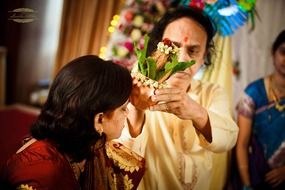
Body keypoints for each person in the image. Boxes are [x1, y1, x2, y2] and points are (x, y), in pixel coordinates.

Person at [119, 7, 239, 190]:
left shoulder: (212, 93)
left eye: (193, 51)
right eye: (172, 48)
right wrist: (137, 108)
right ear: (157, 50)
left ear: (204, 57)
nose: (181, 61)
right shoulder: (137, 86)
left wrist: (195, 112)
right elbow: (120, 151)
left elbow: (228, 139)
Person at [1, 55, 145, 190]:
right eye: (123, 108)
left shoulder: (83, 143)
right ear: (99, 119)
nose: (126, 114)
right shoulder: (44, 172)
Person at [236, 30, 285, 190]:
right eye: (284, 52)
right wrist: (246, 184)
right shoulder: (253, 93)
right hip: (255, 173)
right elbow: (242, 144)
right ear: (273, 52)